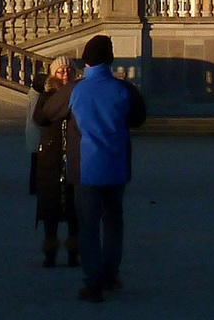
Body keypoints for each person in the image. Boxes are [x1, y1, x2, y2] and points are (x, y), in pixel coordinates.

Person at [64, 34, 147, 302]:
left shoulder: (76, 89)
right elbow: (138, 119)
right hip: (116, 166)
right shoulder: (124, 89)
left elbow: (45, 115)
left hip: (86, 167)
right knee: (113, 222)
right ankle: (111, 274)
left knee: (88, 226)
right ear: (109, 61)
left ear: (85, 61)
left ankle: (93, 282)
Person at [29, 58, 84, 267]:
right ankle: (50, 251)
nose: (65, 75)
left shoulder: (79, 94)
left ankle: (74, 251)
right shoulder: (47, 95)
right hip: (50, 156)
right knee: (50, 206)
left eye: (69, 71)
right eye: (61, 71)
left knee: (74, 207)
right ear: (54, 74)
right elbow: (39, 119)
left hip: (73, 153)